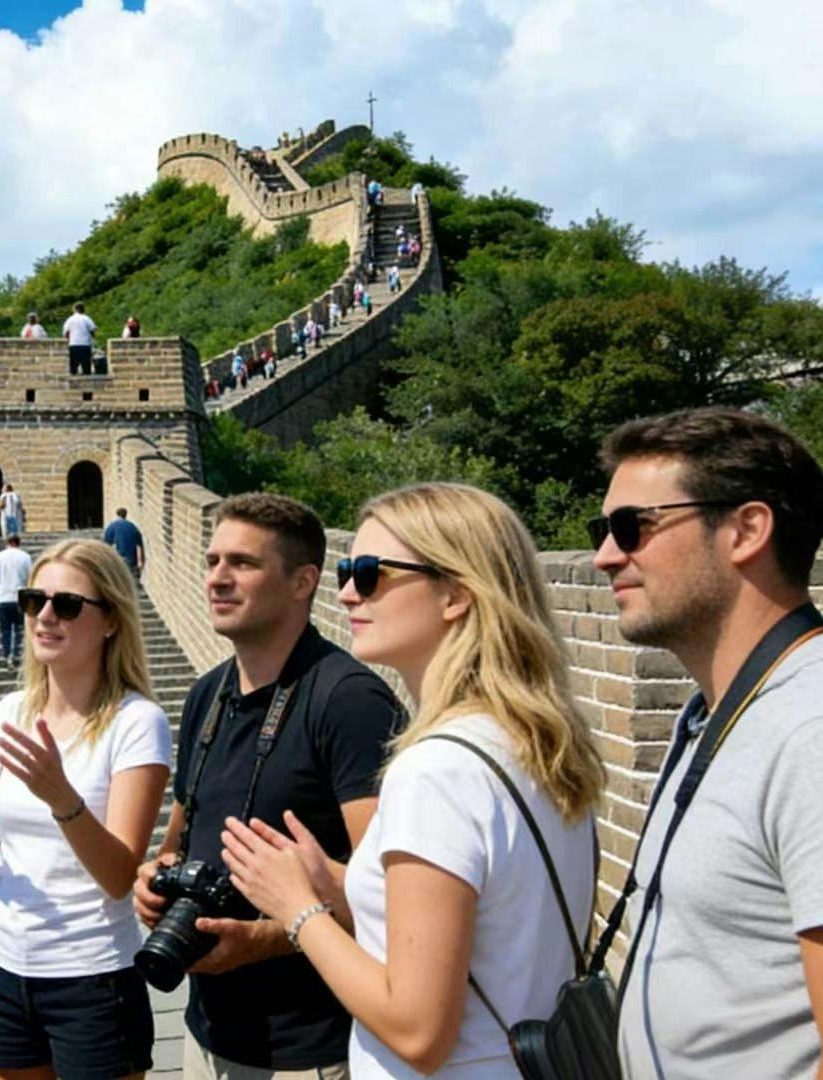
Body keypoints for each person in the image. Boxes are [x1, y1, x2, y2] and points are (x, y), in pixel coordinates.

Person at [221, 482, 604, 1077]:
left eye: (371, 573)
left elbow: (419, 1031)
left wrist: (297, 910)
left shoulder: (437, 771)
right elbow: (492, 927)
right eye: (348, 569)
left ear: (455, 594)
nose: (346, 592)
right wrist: (339, 885)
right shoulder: (527, 741)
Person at [590, 407, 823, 1079]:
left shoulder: (808, 731)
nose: (607, 555)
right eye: (601, 531)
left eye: (633, 527)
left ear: (746, 529)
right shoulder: (718, 710)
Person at [133, 493, 400, 1078]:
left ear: (303, 581)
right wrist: (155, 880)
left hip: (310, 1048)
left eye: (242, 564)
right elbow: (179, 836)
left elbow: (392, 898)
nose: (217, 579)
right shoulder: (208, 693)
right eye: (211, 562)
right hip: (207, 1035)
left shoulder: (348, 701)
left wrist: (268, 938)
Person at [0, 540, 171, 1079]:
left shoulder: (137, 723)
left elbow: (120, 876)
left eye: (68, 605)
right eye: (34, 600)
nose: (45, 616)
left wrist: (63, 799)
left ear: (111, 622)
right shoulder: (11, 710)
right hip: (4, 969)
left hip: (93, 979)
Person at [0, 533, 33, 672]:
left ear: (7, 542)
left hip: (3, 599)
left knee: (5, 631)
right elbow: (31, 580)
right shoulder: (25, 557)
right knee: (20, 630)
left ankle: (8, 656)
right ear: (18, 543)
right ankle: (18, 654)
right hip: (21, 598)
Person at [103, 508, 145, 577]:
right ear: (126, 515)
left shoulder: (112, 527)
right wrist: (140, 562)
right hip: (132, 561)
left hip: (119, 561)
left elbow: (106, 546)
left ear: (117, 515)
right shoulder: (133, 527)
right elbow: (139, 546)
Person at [62, 302, 97, 376]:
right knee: (86, 366)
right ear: (83, 310)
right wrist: (94, 340)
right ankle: (87, 380)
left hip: (73, 344)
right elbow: (92, 330)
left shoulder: (70, 319)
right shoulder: (87, 318)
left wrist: (66, 341)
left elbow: (66, 332)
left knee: (73, 366)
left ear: (74, 310)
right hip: (85, 344)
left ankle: (73, 379)